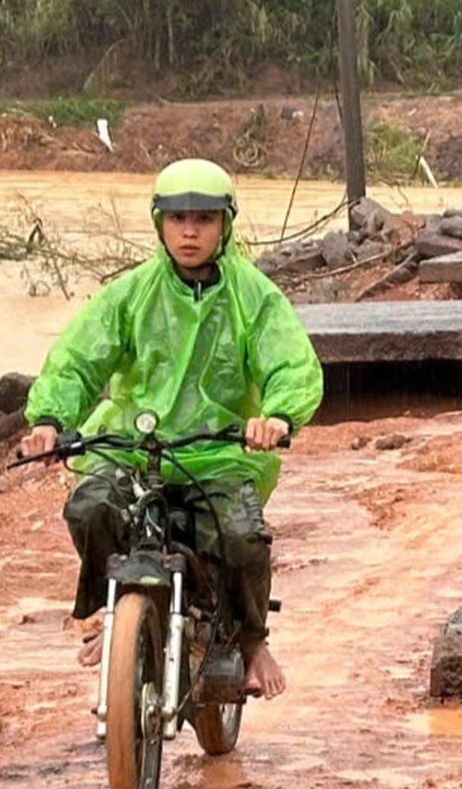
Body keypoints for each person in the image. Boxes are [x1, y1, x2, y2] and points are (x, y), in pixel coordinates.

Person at [19, 158, 323, 699]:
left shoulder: (254, 296)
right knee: (90, 504)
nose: (190, 231)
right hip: (134, 447)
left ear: (225, 224)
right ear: (158, 223)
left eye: (204, 219)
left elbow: (289, 361)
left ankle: (253, 641)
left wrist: (277, 416)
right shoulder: (131, 293)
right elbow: (79, 359)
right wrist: (49, 421)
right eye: (177, 218)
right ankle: (111, 615)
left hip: (221, 451)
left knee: (242, 536)